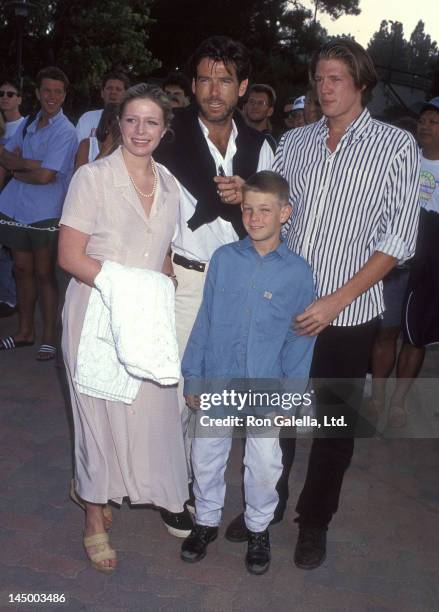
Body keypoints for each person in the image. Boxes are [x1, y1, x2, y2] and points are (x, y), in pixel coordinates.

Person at [226, 39, 420, 569]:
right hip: (288, 312)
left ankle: (314, 523)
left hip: (349, 315)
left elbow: (399, 239)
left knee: (333, 428)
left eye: (337, 78)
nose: (326, 87)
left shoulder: (395, 147)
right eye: (320, 78)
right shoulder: (296, 142)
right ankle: (267, 508)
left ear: (361, 83)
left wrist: (336, 300)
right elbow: (277, 211)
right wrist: (244, 192)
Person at [58, 83, 190, 573]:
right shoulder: (92, 179)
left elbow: (167, 250)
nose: (140, 131)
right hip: (95, 313)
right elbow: (69, 257)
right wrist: (131, 286)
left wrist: (163, 285)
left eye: (151, 122)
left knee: (148, 412)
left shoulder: (172, 184)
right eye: (131, 121)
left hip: (146, 320)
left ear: (164, 128)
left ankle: (112, 487)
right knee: (95, 416)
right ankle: (93, 514)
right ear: (117, 123)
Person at [155, 35, 274, 536]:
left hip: (237, 289)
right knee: (179, 390)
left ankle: (207, 492)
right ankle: (172, 491)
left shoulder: (258, 145)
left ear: (242, 87)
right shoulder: (169, 136)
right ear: (193, 84)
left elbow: (272, 224)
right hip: (183, 280)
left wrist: (248, 195)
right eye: (205, 78)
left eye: (225, 79)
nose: (214, 89)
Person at [180, 171, 315, 575]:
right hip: (219, 377)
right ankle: (205, 521)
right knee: (205, 454)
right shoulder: (224, 259)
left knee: (264, 463)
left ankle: (259, 528)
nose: (254, 218)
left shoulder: (297, 272)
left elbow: (299, 339)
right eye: (248, 209)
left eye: (265, 210)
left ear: (285, 213)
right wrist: (194, 376)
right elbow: (205, 319)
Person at [369, 97, 439, 427]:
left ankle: (399, 401)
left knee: (415, 338)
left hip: (431, 269)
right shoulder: (404, 161)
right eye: (423, 120)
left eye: (434, 122)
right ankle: (378, 397)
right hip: (395, 264)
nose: (425, 127)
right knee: (386, 331)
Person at [0, 67, 77, 360]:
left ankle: (49, 338)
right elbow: (5, 155)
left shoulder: (66, 131)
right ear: (37, 93)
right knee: (21, 270)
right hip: (16, 207)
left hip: (46, 211)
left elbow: (46, 177)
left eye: (58, 91)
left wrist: (19, 167)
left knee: (45, 274)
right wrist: (31, 165)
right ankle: (24, 332)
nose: (52, 96)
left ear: (65, 95)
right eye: (47, 90)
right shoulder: (30, 121)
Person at [0, 78, 26, 318]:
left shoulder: (25, 126)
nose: (5, 97)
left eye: (11, 94)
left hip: (15, 196)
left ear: (19, 98)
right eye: (2, 94)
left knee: (11, 253)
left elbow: (14, 165)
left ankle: (10, 298)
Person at [76, 71, 129, 141]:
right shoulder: (87, 118)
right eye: (109, 88)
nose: (113, 92)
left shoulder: (134, 121)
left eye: (118, 89)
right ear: (102, 93)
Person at [75, 103, 120, 169]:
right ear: (107, 125)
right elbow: (79, 176)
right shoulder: (87, 145)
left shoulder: (126, 149)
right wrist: (103, 151)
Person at [243, 83, 277, 150]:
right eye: (251, 101)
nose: (255, 106)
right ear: (244, 107)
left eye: (261, 103)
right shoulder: (234, 138)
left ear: (270, 111)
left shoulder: (269, 144)